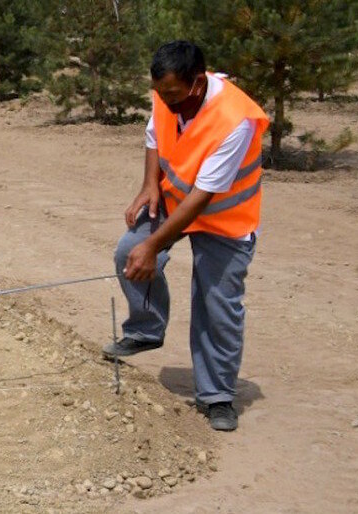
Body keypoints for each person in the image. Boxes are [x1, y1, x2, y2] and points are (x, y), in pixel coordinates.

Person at [105, 41, 268, 433]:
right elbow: (153, 135)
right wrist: (150, 184)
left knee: (217, 302)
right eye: (159, 92)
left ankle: (217, 396)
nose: (164, 100)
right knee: (128, 251)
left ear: (197, 83)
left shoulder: (235, 119)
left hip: (224, 220)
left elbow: (202, 197)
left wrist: (153, 245)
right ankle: (146, 330)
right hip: (176, 201)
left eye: (173, 94)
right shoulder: (169, 93)